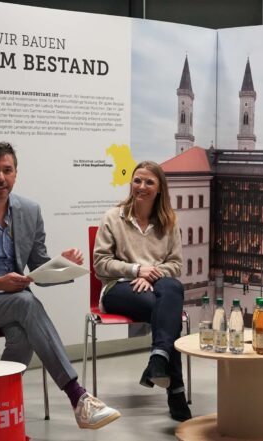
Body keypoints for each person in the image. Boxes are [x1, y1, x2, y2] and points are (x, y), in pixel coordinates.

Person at [0, 142, 120, 430]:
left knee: (22, 334)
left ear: (16, 174)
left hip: (11, 303)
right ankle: (78, 397)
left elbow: (38, 267)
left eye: (7, 171)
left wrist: (62, 265)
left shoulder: (30, 211)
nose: (1, 178)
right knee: (26, 303)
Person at [93, 161, 192, 422]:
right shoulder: (113, 217)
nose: (142, 186)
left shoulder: (169, 221)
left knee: (171, 288)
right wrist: (137, 270)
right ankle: (176, 393)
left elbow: (176, 265)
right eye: (137, 180)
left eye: (149, 182)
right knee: (168, 315)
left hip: (157, 287)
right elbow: (101, 265)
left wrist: (152, 275)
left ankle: (159, 359)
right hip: (117, 289)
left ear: (160, 189)